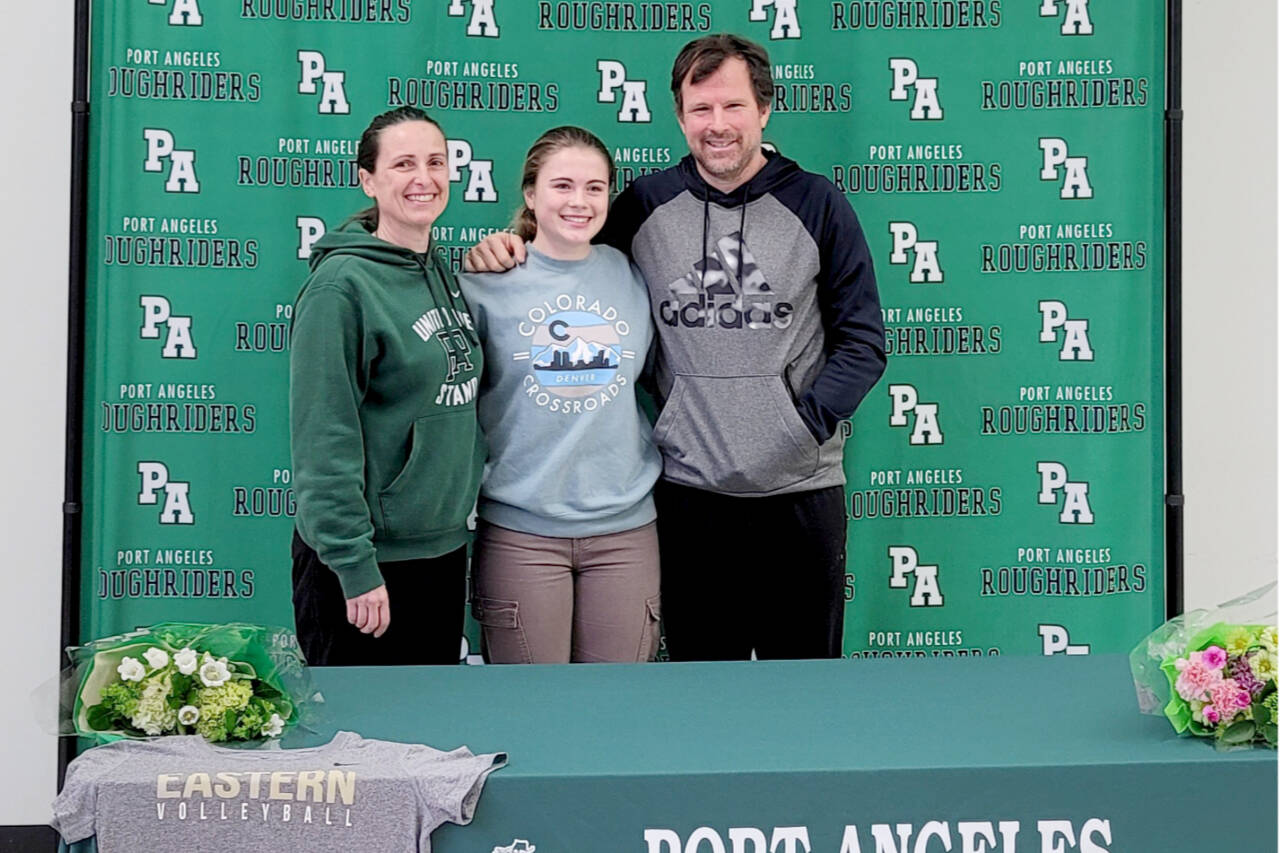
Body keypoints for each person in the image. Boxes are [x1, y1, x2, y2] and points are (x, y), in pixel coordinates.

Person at [465, 35, 886, 662]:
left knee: (804, 688)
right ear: (680, 116)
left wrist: (801, 427)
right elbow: (569, 253)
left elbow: (864, 341)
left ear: (764, 109)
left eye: (733, 106)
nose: (718, 124)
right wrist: (506, 246)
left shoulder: (818, 203)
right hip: (689, 494)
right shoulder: (645, 204)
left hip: (800, 492)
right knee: (696, 690)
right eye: (700, 109)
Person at [459, 126, 663, 664]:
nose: (580, 201)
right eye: (562, 185)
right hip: (521, 532)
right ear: (531, 194)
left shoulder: (634, 275)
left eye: (595, 188)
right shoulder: (483, 282)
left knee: (618, 704)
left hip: (625, 531)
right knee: (530, 705)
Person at [290, 106, 484, 666]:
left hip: (441, 551)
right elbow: (324, 438)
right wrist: (354, 566)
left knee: (428, 721)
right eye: (403, 164)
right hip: (367, 566)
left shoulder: (440, 270)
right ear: (368, 180)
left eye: (436, 163)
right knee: (356, 723)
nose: (424, 178)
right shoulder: (340, 288)